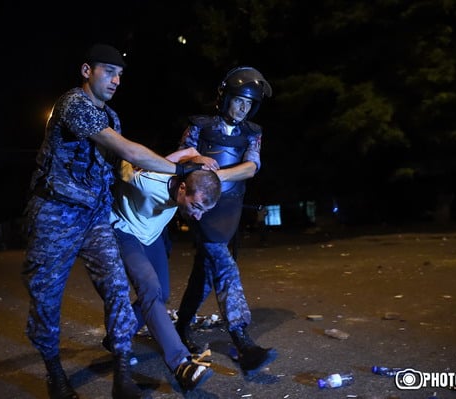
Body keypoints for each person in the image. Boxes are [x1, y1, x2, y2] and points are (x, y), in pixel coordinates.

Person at [21, 43, 201, 399]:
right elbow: (128, 151)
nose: (117, 80)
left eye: (120, 75)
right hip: (56, 213)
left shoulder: (113, 117)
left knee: (118, 290)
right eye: (109, 71)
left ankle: (123, 375)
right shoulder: (73, 105)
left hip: (95, 218)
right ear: (87, 71)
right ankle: (55, 376)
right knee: (47, 298)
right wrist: (183, 169)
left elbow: (124, 168)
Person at [173, 66, 277, 377]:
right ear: (225, 98)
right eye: (239, 101)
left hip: (231, 207)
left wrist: (217, 176)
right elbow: (180, 158)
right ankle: (242, 340)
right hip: (204, 208)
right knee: (224, 266)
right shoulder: (199, 126)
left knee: (204, 274)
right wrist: (198, 163)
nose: (243, 108)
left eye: (249, 104)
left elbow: (251, 167)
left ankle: (180, 327)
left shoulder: (253, 132)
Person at [109, 148, 221, 392]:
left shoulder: (189, 181)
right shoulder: (147, 182)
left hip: (151, 235)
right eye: (196, 206)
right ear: (182, 189)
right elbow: (127, 159)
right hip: (125, 229)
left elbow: (191, 151)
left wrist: (195, 157)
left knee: (163, 293)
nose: (198, 216)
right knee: (150, 288)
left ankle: (118, 335)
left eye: (204, 210)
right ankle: (181, 363)